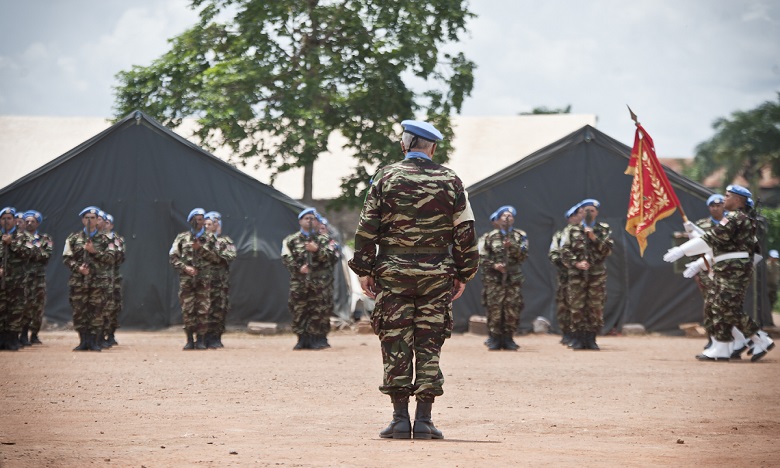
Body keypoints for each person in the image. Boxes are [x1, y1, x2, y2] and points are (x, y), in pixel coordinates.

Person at [348, 119, 479, 440]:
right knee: (429, 342)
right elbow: (465, 230)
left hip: (393, 273)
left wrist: (364, 269)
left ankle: (397, 419)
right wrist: (464, 272)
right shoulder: (451, 180)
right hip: (437, 274)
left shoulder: (385, 176)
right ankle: (423, 420)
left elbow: (367, 227)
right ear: (432, 147)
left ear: (404, 145)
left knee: (395, 341)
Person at [665, 185, 774, 361]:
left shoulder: (736, 217)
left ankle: (758, 338)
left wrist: (682, 250)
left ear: (738, 200)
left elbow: (712, 238)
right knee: (720, 306)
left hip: (733, 269)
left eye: (727, 195)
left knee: (726, 306)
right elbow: (717, 245)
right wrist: (697, 260)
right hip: (726, 266)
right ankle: (723, 346)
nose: (723, 199)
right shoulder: (739, 218)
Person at [281, 208, 338, 350]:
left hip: (321, 283)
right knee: (299, 309)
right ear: (300, 221)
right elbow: (286, 257)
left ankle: (318, 339)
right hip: (299, 282)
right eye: (306, 218)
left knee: (319, 310)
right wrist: (298, 268)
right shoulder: (291, 240)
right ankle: (302, 338)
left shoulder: (325, 239)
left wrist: (317, 250)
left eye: (313, 218)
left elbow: (333, 257)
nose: (309, 220)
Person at [560, 198, 613, 350]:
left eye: (592, 210)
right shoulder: (571, 230)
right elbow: (564, 251)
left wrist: (593, 238)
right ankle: (578, 338)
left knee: (595, 307)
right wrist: (577, 263)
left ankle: (591, 338)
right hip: (577, 275)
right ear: (581, 212)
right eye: (586, 210)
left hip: (596, 275)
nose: (589, 213)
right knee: (577, 307)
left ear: (597, 213)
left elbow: (608, 250)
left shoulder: (603, 229)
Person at [62, 206, 116, 352]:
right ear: (82, 219)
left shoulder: (107, 239)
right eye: (87, 217)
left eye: (93, 218)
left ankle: (94, 341)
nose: (89, 220)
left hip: (98, 282)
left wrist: (94, 252)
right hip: (78, 282)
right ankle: (83, 341)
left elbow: (111, 258)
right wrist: (78, 268)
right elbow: (67, 258)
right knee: (79, 312)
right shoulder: (73, 238)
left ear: (98, 221)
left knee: (96, 312)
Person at [170, 208, 221, 350]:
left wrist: (201, 249)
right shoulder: (181, 238)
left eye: (202, 219)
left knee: (203, 311)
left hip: (204, 281)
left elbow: (217, 258)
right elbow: (173, 257)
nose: (200, 222)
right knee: (188, 310)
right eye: (197, 219)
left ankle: (201, 340)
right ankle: (189, 339)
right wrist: (185, 267)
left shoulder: (211, 238)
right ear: (191, 221)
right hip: (187, 281)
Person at [479, 205, 528, 350]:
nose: (507, 219)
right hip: (494, 280)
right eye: (504, 216)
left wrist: (512, 246)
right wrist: (494, 265)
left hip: (513, 279)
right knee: (495, 308)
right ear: (498, 219)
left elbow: (524, 255)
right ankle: (495, 338)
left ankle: (508, 338)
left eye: (510, 216)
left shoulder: (520, 236)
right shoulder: (488, 237)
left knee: (512, 308)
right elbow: (480, 257)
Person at [548, 201, 583, 346]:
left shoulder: (588, 232)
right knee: (565, 305)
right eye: (577, 215)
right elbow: (553, 253)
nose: (580, 217)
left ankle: (580, 334)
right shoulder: (561, 235)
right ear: (570, 218)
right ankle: (567, 333)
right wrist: (566, 263)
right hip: (566, 276)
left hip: (584, 276)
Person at [20, 210, 53, 346]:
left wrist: (30, 251)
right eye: (27, 221)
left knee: (37, 306)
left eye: (32, 221)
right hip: (22, 278)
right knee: (24, 305)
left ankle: (34, 334)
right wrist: (35, 251)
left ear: (37, 223)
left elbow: (46, 256)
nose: (29, 224)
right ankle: (22, 334)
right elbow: (19, 254)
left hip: (38, 279)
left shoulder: (45, 239)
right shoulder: (19, 238)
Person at [204, 211, 236, 348]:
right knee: (203, 309)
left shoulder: (225, 241)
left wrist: (213, 256)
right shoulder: (199, 240)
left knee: (219, 309)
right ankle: (202, 337)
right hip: (202, 282)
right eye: (206, 224)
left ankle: (216, 337)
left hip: (219, 282)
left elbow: (230, 256)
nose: (209, 226)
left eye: (212, 223)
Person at [0, 207, 29, 350]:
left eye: (9, 218)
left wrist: (12, 243)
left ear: (14, 220)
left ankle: (12, 339)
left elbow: (29, 254)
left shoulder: (22, 237)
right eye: (4, 219)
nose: (6, 221)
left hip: (17, 280)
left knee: (15, 310)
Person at [101, 213, 125, 348]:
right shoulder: (95, 238)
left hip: (113, 278)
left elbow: (120, 256)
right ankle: (100, 334)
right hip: (98, 277)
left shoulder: (116, 239)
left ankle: (110, 333)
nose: (105, 225)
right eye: (103, 222)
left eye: (108, 223)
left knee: (113, 307)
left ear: (112, 225)